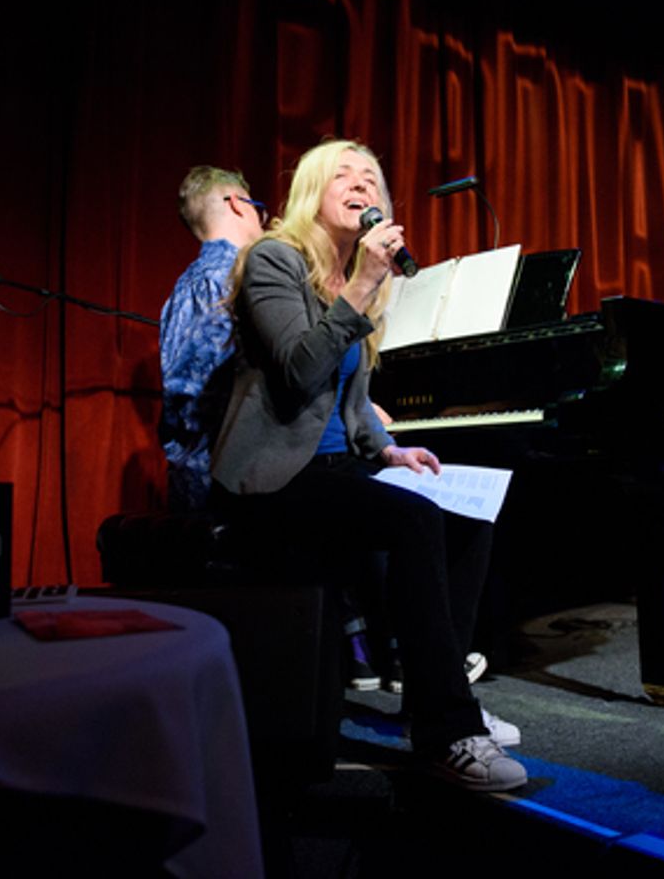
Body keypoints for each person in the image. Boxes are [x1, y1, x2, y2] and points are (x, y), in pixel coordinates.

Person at [210, 138, 526, 791]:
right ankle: (448, 735)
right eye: (344, 176)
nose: (362, 186)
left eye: (373, 179)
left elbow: (347, 399)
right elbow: (300, 373)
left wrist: (386, 449)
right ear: (311, 192)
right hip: (273, 482)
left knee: (468, 512)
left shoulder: (355, 282)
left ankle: (434, 698)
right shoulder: (274, 261)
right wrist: (361, 286)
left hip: (336, 472)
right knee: (411, 521)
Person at [159, 166, 267, 513]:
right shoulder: (232, 278)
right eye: (257, 208)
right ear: (237, 203)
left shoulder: (183, 285)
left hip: (193, 477)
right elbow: (207, 393)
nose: (262, 220)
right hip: (228, 485)